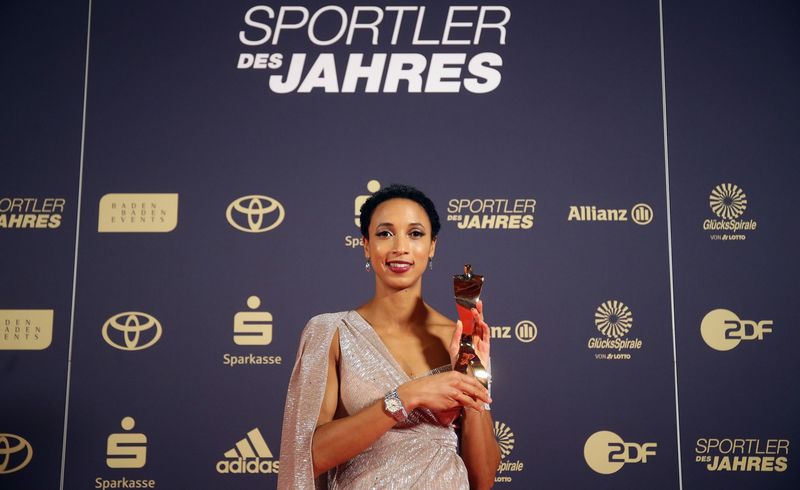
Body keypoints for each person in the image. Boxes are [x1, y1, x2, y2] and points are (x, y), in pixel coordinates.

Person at [278, 184, 501, 489]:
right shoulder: (331, 332)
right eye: (385, 233)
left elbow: (483, 479)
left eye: (415, 233)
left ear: (432, 246)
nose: (400, 247)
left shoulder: (460, 338)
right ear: (366, 245)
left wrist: (474, 379)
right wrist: (407, 396)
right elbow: (308, 457)